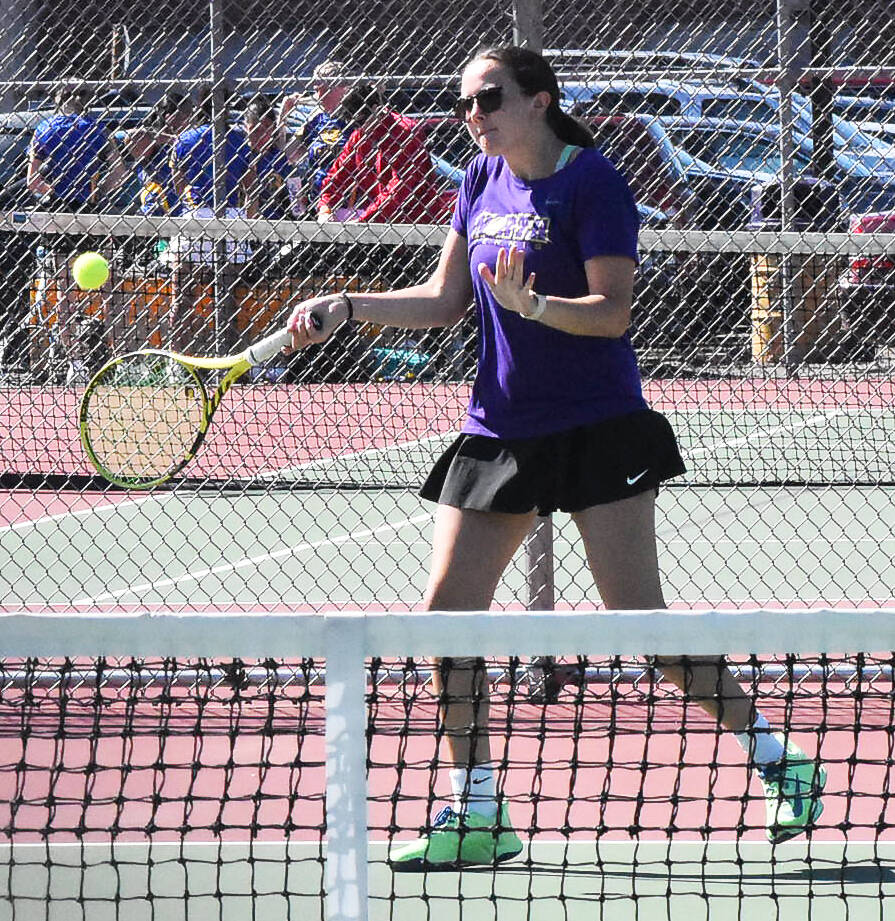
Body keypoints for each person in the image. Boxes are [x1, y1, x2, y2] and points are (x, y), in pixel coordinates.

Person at [285, 45, 827, 869]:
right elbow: (442, 301)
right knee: (446, 617)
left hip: (598, 425)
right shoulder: (477, 179)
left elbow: (610, 314)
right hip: (498, 429)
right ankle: (478, 808)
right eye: (464, 102)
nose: (473, 115)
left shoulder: (592, 181)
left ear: (538, 100)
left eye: (488, 98)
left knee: (641, 628)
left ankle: (777, 758)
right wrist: (349, 304)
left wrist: (533, 303)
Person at [27, 81, 113, 384]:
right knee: (106, 286)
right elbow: (117, 174)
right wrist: (96, 191)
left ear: (56, 99)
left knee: (65, 292)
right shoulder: (95, 129)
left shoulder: (45, 129)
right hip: (88, 212)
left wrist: (53, 193)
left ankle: (76, 362)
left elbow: (32, 181)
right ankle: (109, 356)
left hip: (59, 212)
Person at [168, 82, 252, 353]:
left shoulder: (184, 140)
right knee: (228, 296)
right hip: (231, 218)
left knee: (182, 297)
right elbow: (249, 184)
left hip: (195, 216)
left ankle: (178, 360)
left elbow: (179, 185)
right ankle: (229, 357)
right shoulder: (239, 139)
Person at [318, 83, 451, 224]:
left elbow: (400, 188)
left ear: (376, 109)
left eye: (361, 121)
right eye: (354, 124)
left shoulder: (404, 132)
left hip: (415, 220)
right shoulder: (359, 136)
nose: (361, 128)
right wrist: (325, 208)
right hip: (378, 221)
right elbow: (338, 176)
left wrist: (365, 220)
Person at [279, 59, 356, 216]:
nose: (317, 92)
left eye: (321, 87)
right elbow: (289, 153)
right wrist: (284, 114)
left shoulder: (358, 118)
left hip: (353, 203)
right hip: (320, 203)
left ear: (340, 88)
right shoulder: (316, 119)